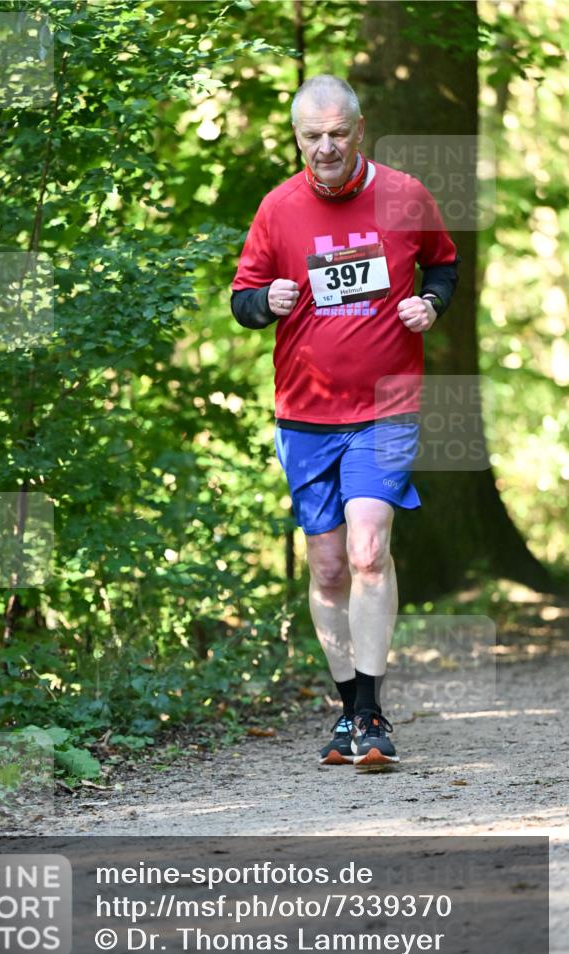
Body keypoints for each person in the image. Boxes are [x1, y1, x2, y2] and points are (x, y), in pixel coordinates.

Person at [231, 75, 459, 768]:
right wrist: (263, 301)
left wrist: (431, 305)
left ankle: (371, 713)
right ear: (296, 139)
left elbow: (442, 265)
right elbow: (240, 298)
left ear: (359, 130)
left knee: (366, 550)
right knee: (328, 567)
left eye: (336, 133)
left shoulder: (403, 194)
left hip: (383, 409)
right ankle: (346, 712)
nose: (324, 147)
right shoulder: (277, 209)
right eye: (311, 137)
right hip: (303, 416)